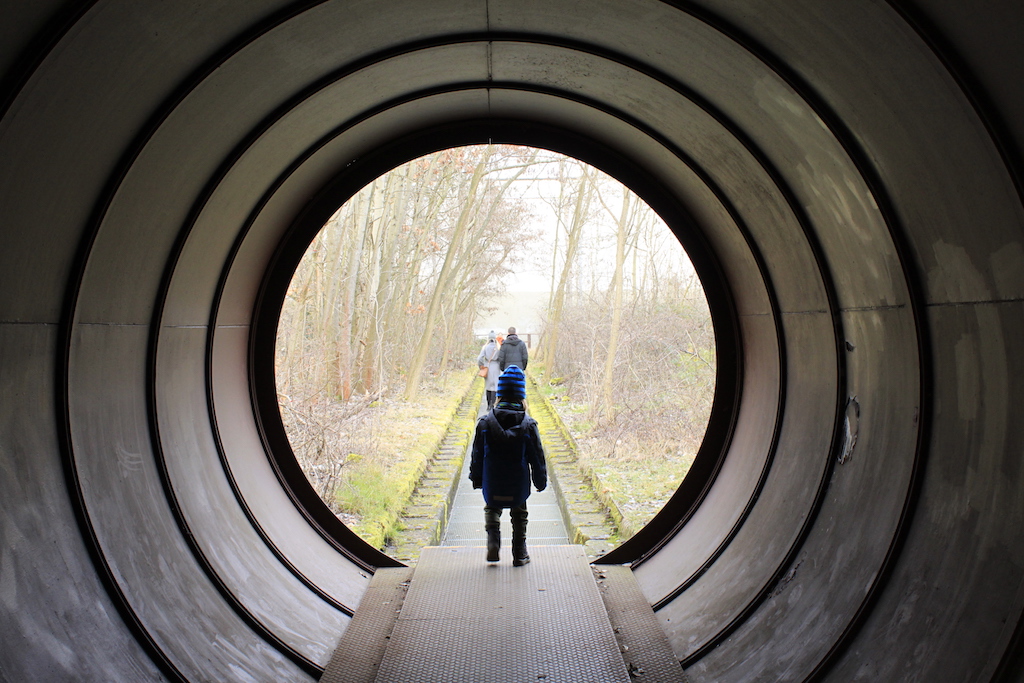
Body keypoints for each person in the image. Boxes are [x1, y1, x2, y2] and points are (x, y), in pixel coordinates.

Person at [469, 365, 547, 566]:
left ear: (499, 396)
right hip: (518, 485)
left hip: (493, 483)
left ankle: (493, 540)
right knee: (520, 515)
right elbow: (537, 456)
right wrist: (540, 480)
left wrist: (477, 478)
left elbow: (477, 454)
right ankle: (519, 553)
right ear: (522, 397)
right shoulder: (529, 425)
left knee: (491, 508)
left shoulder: (485, 423)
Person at [476, 331, 501, 408]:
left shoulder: (485, 347)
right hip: (496, 366)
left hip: (487, 366)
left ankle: (488, 405)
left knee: (488, 386)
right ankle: (493, 404)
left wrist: (481, 365)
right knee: (495, 386)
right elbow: (501, 358)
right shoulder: (498, 347)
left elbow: (479, 358)